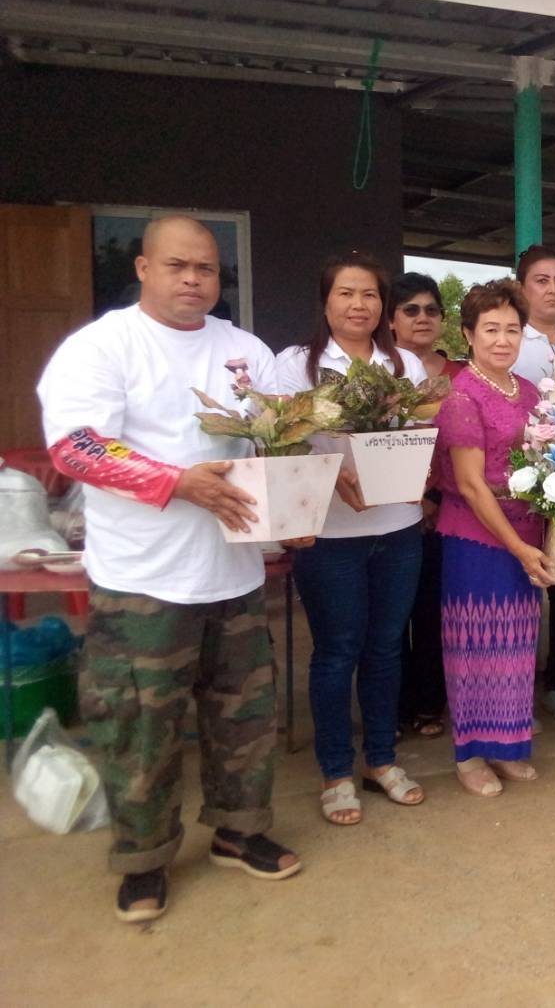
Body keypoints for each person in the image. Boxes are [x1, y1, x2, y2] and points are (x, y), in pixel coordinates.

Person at [37, 215, 301, 923]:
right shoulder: (100, 347)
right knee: (139, 727)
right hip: (143, 581)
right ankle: (143, 859)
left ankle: (240, 831)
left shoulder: (245, 350)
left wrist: (299, 499)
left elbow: (277, 440)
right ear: (145, 269)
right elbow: (78, 446)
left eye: (208, 269)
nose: (194, 280)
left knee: (241, 715)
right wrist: (177, 481)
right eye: (179, 266)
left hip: (235, 572)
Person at [277, 252, 429, 826]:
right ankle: (336, 771)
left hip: (396, 528)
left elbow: (416, 437)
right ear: (326, 301)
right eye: (346, 293)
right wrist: (330, 476)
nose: (359, 305)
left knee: (386, 647)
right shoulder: (298, 365)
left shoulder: (403, 366)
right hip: (331, 535)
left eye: (369, 295)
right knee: (338, 651)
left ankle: (382, 759)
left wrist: (418, 468)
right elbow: (281, 447)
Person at [433, 280, 555, 796]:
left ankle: (507, 747)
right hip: (477, 539)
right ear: (468, 334)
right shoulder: (462, 396)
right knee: (474, 647)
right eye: (490, 329)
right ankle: (469, 756)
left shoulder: (528, 392)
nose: (502, 340)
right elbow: (470, 484)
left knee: (515, 646)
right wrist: (519, 546)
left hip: (526, 534)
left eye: (512, 329)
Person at [510, 245, 555, 728]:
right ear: (522, 287)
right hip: (519, 479)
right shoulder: (511, 338)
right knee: (520, 588)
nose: (552, 289)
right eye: (541, 280)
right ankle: (516, 690)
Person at [389, 272, 464, 741]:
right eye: (410, 310)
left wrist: (435, 499)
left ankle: (429, 702)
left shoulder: (461, 374)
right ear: (392, 320)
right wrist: (414, 499)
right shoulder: (379, 373)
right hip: (393, 508)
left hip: (451, 507)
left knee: (436, 611)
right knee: (392, 615)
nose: (422, 318)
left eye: (430, 310)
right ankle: (394, 706)